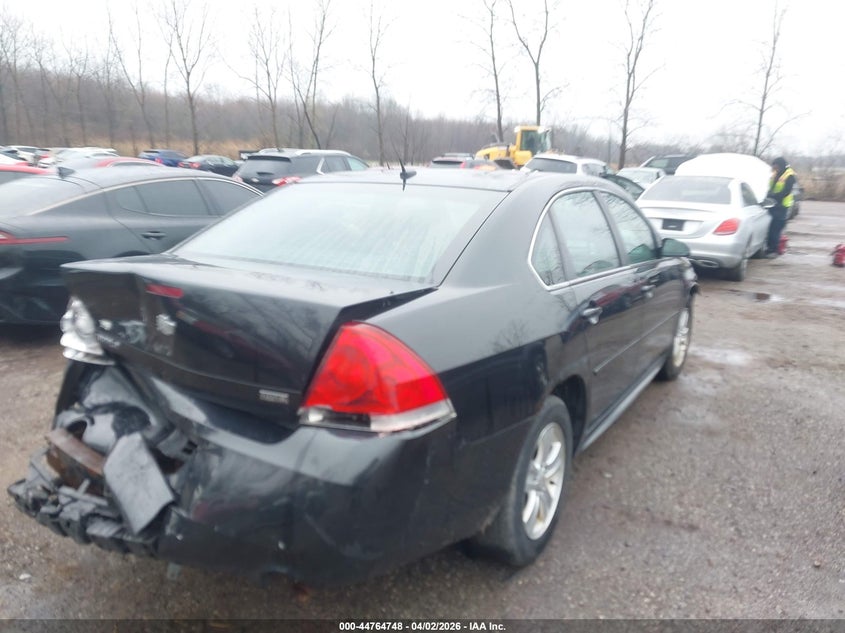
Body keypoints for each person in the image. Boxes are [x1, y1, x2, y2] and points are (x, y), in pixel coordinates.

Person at [765, 157, 796, 258]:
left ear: (781, 165)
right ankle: (770, 248)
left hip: (782, 206)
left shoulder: (789, 176)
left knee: (776, 228)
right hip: (773, 204)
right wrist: (769, 194)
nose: (775, 168)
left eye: (776, 167)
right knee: (771, 227)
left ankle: (774, 250)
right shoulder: (776, 173)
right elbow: (771, 186)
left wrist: (774, 195)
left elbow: (786, 191)